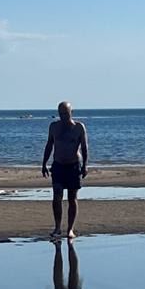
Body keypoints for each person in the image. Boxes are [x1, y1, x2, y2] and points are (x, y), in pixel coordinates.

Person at [41, 101, 88, 239]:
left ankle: (70, 229)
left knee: (72, 198)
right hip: (58, 165)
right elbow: (49, 145)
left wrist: (85, 165)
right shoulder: (54, 127)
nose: (63, 116)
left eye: (66, 113)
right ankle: (57, 228)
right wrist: (44, 164)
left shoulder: (79, 127)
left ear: (71, 112)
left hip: (73, 165)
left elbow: (84, 148)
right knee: (57, 196)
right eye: (61, 114)